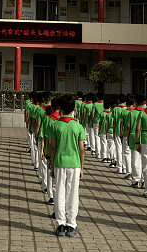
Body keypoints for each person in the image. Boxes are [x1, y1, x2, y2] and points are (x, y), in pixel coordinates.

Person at [48, 94, 85, 237]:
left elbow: (52, 147)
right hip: (75, 164)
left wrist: (51, 166)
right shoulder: (78, 126)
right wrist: (82, 167)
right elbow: (82, 149)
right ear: (74, 108)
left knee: (59, 194)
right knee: (73, 194)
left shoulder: (55, 125)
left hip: (59, 162)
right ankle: (71, 225)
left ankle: (60, 224)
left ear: (60, 109)